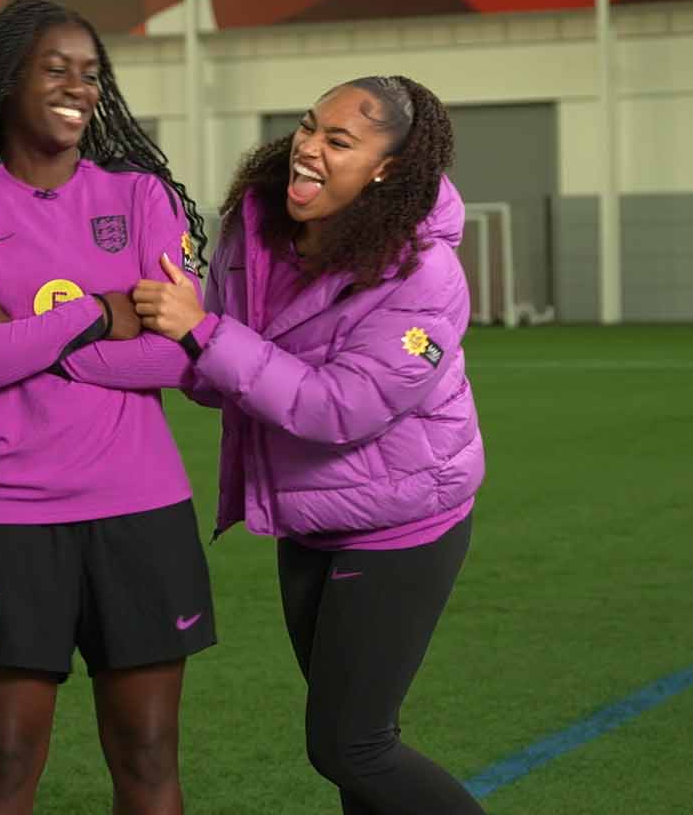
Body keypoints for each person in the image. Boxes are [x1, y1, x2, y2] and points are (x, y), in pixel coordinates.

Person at [124, 75, 488, 814]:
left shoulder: (424, 272)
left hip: (401, 523)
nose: (309, 149)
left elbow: (338, 409)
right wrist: (82, 332)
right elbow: (219, 369)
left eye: (340, 141)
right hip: (309, 518)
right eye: (308, 127)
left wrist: (201, 331)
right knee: (362, 755)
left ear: (387, 168)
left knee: (350, 747)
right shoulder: (254, 228)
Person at [0, 0, 216, 815]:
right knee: (2, 765)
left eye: (91, 73)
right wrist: (94, 314)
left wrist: (19, 335)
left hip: (140, 509)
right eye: (55, 68)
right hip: (8, 518)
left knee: (147, 759)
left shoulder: (141, 199)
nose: (79, 87)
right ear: (7, 82)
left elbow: (176, 354)